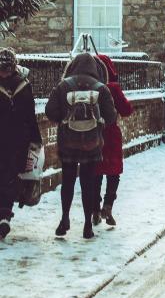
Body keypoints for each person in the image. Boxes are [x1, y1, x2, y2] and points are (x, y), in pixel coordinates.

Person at [45, 52, 116, 239]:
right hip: (92, 144)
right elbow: (111, 117)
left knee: (67, 182)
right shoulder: (101, 88)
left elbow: (50, 112)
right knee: (88, 183)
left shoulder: (63, 86)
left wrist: (64, 119)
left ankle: (65, 219)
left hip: (67, 142)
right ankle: (87, 225)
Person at [0, 47, 42, 241]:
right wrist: (34, 139)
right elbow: (30, 116)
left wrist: (36, 141)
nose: (4, 73)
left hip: (15, 140)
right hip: (18, 139)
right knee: (8, 176)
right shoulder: (24, 85)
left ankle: (5, 216)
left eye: (5, 69)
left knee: (8, 175)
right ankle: (5, 216)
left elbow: (30, 116)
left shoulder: (23, 86)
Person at [92, 54, 133, 227]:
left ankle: (94, 207)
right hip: (110, 134)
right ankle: (108, 206)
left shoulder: (88, 86)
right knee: (113, 172)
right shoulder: (113, 88)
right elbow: (127, 110)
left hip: (92, 134)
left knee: (95, 172)